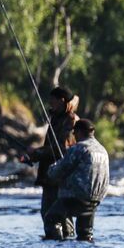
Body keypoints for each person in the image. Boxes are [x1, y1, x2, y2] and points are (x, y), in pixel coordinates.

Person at [21, 86, 80, 239]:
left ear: (61, 100)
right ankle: (58, 243)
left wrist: (37, 152)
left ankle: (63, 244)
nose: (50, 103)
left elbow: (62, 148)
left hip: (61, 174)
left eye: (53, 101)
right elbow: (51, 148)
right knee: (51, 212)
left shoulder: (70, 120)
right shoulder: (57, 118)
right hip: (51, 174)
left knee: (56, 213)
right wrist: (33, 157)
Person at [44, 118, 109, 242]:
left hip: (75, 197)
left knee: (51, 218)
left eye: (74, 133)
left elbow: (59, 170)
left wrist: (51, 169)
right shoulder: (103, 150)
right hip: (95, 199)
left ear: (79, 132)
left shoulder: (79, 148)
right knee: (85, 234)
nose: (73, 136)